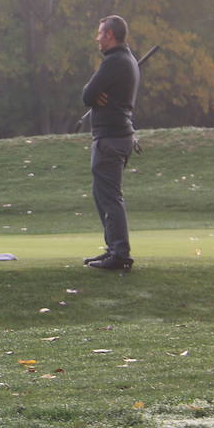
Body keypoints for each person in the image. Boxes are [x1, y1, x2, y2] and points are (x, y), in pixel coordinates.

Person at [81, 15, 140, 271]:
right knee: (102, 195)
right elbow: (93, 96)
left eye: (100, 33)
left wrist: (94, 98)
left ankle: (119, 253)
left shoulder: (115, 61)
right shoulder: (126, 60)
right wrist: (95, 98)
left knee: (110, 197)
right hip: (117, 137)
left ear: (110, 35)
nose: (97, 38)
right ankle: (113, 249)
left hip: (111, 138)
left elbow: (87, 95)